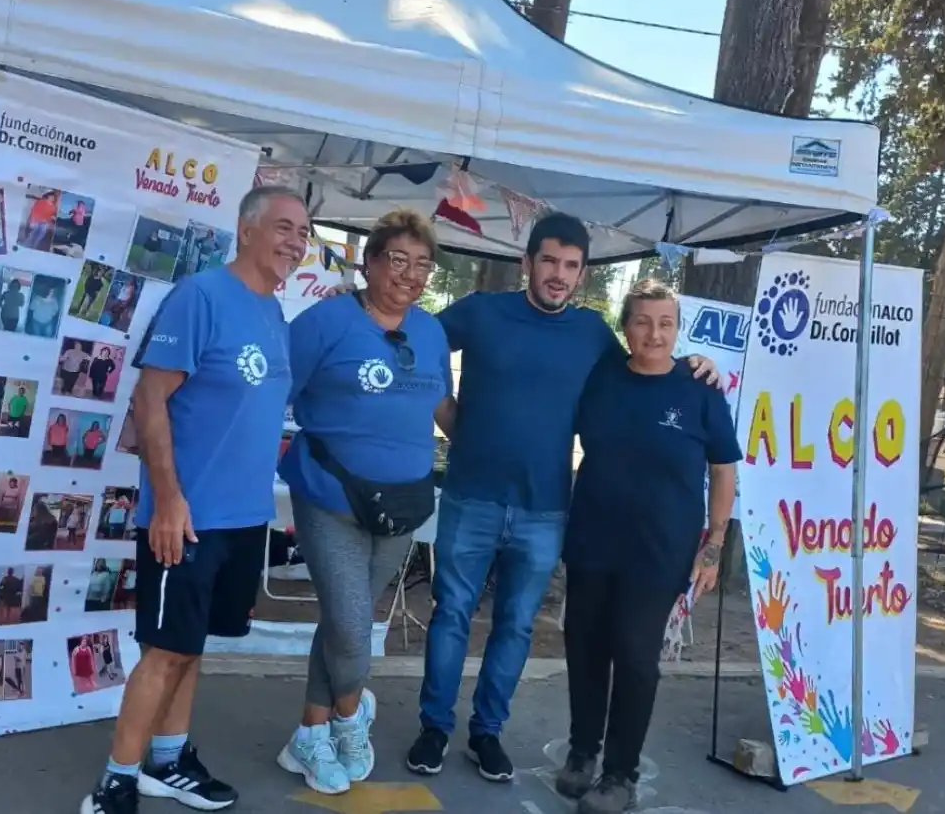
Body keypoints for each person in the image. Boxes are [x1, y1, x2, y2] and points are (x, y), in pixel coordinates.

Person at [403, 213, 719, 782]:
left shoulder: (594, 334)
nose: (558, 274)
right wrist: (449, 417)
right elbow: (414, 340)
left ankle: (486, 733)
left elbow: (644, 363)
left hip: (546, 508)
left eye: (571, 266)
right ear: (526, 263)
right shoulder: (480, 311)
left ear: (582, 275)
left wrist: (698, 364)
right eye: (549, 261)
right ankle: (434, 728)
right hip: (471, 498)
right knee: (451, 615)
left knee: (517, 624)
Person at [79, 186, 309, 814]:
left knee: (192, 645)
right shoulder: (201, 297)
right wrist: (170, 501)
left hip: (243, 518)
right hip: (188, 516)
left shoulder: (272, 314)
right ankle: (115, 781)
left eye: (304, 232)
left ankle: (168, 758)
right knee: (165, 650)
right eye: (285, 227)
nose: (296, 241)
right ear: (246, 230)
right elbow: (149, 402)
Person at [277, 210, 451, 795]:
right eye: (397, 259)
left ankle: (311, 731)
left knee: (343, 622)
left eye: (422, 263)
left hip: (401, 504)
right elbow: (277, 392)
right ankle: (348, 719)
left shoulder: (429, 331)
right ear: (369, 262)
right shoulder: (325, 322)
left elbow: (440, 407)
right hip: (331, 496)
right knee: (353, 627)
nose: (410, 273)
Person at [552, 281, 740, 813]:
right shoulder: (601, 377)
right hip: (592, 539)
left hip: (660, 551)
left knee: (635, 657)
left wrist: (714, 544)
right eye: (641, 321)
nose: (653, 333)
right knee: (584, 648)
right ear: (625, 327)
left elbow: (723, 470)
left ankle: (619, 775)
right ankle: (582, 752)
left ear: (677, 328)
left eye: (665, 323)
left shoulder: (701, 388)